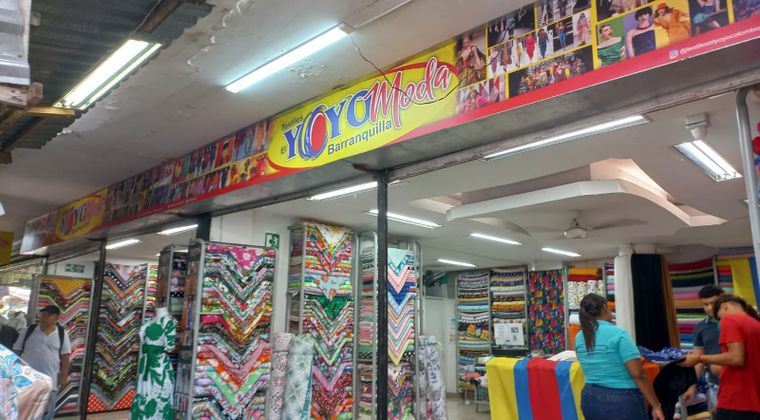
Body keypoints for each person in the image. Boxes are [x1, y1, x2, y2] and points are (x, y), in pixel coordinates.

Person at [575, 294, 665, 420]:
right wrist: (656, 406)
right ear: (605, 307)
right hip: (620, 399)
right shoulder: (618, 334)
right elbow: (638, 374)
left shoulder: (579, 337)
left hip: (589, 398)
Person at [681, 294, 760, 418]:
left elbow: (736, 358)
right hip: (751, 403)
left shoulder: (730, 320)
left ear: (724, 307)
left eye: (719, 317)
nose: (720, 322)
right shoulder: (755, 324)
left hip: (736, 401)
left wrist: (698, 358)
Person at [13, 305, 71, 420]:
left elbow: (65, 357)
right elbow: (16, 352)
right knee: (24, 413)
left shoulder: (62, 334)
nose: (43, 318)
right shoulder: (28, 331)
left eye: (48, 316)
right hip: (27, 381)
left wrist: (64, 378)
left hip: (49, 382)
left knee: (46, 414)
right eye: (42, 315)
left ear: (56, 318)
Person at [682, 285, 724, 408]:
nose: (710, 308)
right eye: (705, 304)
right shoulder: (701, 327)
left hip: (743, 382)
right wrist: (692, 387)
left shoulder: (737, 321)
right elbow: (697, 359)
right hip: (715, 385)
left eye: (713, 303)